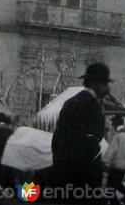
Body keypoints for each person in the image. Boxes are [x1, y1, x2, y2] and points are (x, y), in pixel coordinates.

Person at [51, 62, 110, 201]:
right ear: (97, 83)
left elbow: (57, 140)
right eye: (105, 83)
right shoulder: (90, 105)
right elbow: (90, 143)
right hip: (82, 178)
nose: (106, 88)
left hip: (63, 174)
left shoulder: (72, 101)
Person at [103, 115, 125, 204]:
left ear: (115, 125)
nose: (112, 128)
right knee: (116, 185)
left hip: (117, 166)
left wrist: (106, 163)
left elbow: (111, 152)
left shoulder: (118, 137)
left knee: (109, 189)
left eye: (112, 125)